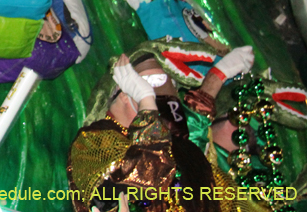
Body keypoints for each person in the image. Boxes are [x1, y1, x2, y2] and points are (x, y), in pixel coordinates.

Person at [67, 41, 255, 212]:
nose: (161, 94)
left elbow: (229, 200)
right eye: (150, 84)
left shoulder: (181, 149)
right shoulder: (93, 141)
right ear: (123, 93)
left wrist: (217, 77)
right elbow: (142, 180)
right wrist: (146, 104)